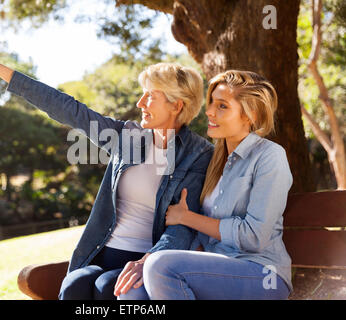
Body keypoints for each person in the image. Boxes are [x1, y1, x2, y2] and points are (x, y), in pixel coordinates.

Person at [0, 37, 213, 300]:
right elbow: (69, 110)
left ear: (177, 105)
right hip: (102, 251)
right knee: (73, 285)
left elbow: (181, 229)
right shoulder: (127, 137)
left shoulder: (198, 155)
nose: (140, 103)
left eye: (150, 96)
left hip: (147, 259)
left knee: (106, 288)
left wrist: (146, 261)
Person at [120, 70, 293, 300]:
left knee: (160, 265)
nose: (209, 111)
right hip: (215, 270)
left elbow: (254, 237)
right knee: (132, 291)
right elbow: (205, 235)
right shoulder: (213, 161)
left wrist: (186, 217)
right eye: (211, 102)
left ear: (250, 114)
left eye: (222, 106)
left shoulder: (269, 156)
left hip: (262, 273)